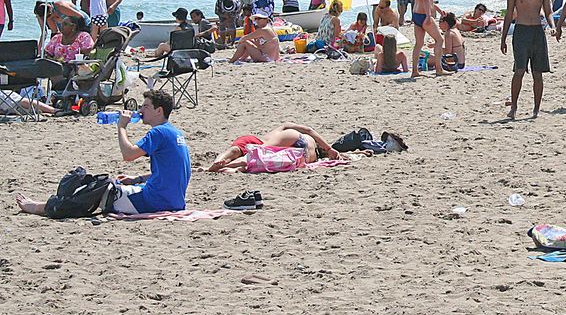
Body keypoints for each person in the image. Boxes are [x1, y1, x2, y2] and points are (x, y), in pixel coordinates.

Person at [17, 90, 191, 215]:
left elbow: (128, 155)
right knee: (113, 185)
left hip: (155, 201)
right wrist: (137, 178)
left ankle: (41, 207)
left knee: (98, 189)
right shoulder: (174, 133)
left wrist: (122, 127)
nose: (140, 110)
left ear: (159, 111)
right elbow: (171, 171)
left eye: (145, 106)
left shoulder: (158, 132)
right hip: (173, 200)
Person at [501, 0, 558, 119]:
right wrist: (503, 38)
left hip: (537, 32)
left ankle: (536, 109)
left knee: (537, 73)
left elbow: (548, 11)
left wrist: (553, 26)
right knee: (519, 70)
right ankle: (514, 107)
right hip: (521, 32)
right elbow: (509, 14)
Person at [207, 122, 341, 172]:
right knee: (249, 158)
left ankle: (217, 164)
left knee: (242, 152)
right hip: (303, 154)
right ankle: (223, 165)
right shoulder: (314, 153)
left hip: (287, 139)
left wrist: (329, 148)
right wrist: (328, 149)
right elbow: (308, 131)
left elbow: (308, 129)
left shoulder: (283, 129)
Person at [410, 0, 447, 78]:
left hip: (416, 14)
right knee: (439, 40)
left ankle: (414, 71)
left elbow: (424, 0)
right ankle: (439, 69)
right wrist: (428, 16)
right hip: (424, 15)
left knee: (419, 43)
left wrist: (439, 10)